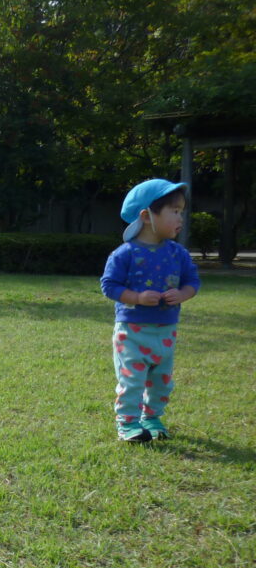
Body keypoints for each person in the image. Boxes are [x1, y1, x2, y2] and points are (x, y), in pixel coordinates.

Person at [100, 179, 200, 443]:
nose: (180, 218)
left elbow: (193, 283)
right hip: (132, 331)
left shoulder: (178, 253)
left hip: (166, 331)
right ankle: (128, 423)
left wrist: (182, 294)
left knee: (161, 381)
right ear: (146, 216)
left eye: (181, 212)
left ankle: (152, 418)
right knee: (132, 380)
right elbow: (109, 285)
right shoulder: (124, 254)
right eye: (174, 211)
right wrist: (137, 297)